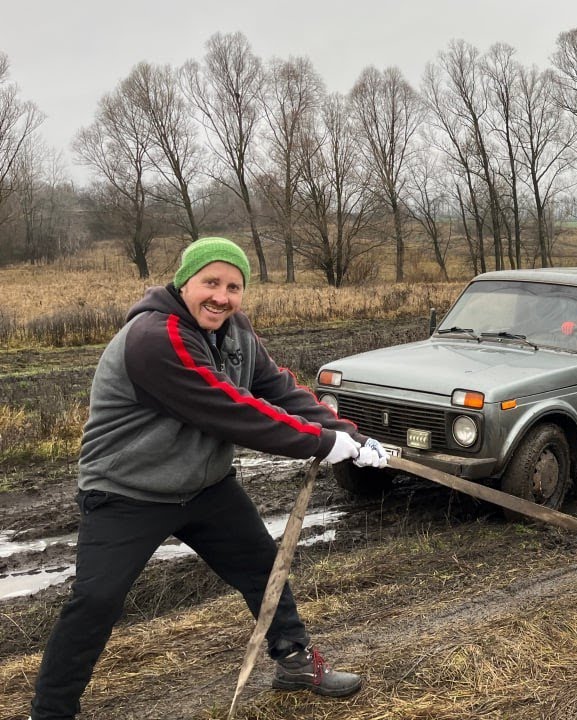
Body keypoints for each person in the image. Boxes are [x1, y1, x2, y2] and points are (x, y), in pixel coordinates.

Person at [29, 237, 386, 720]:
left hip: (205, 487)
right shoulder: (154, 338)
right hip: (126, 491)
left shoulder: (235, 330)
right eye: (210, 283)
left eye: (233, 286)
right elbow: (230, 411)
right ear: (184, 282)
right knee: (96, 600)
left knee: (264, 569)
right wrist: (322, 443)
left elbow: (276, 388)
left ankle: (295, 663)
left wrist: (350, 435)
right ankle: (51, 711)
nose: (221, 296)